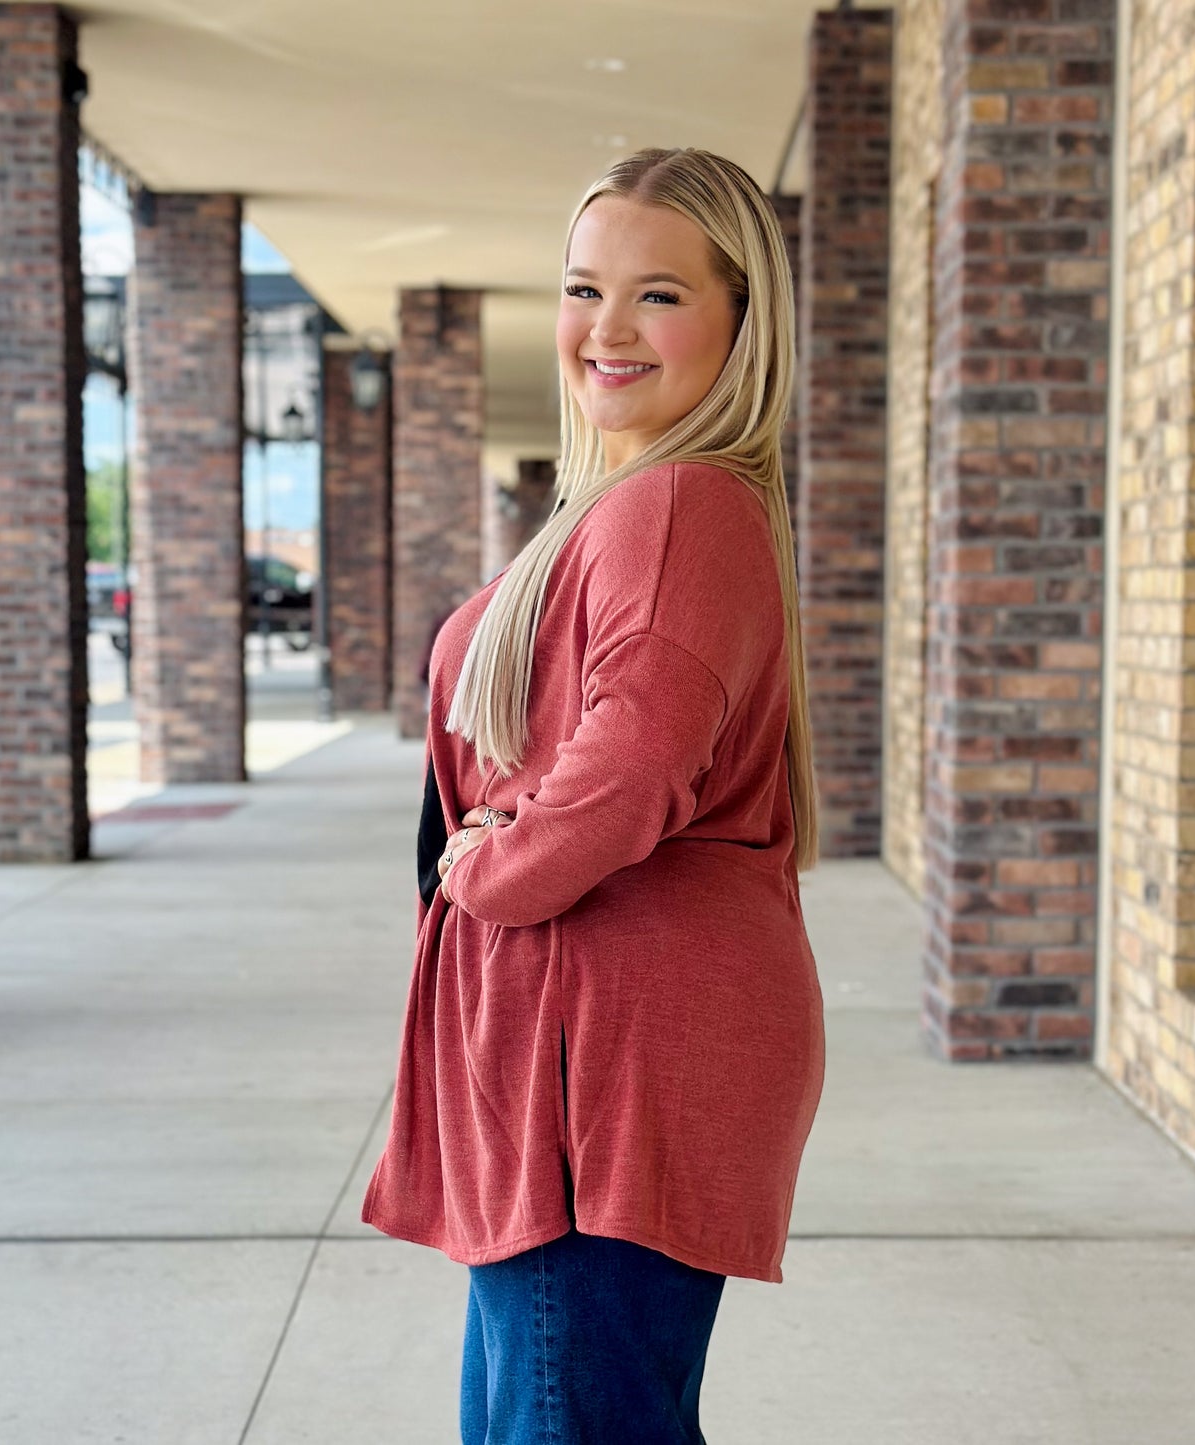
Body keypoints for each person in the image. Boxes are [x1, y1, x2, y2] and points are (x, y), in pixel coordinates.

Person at [360, 145, 827, 1444]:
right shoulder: (630, 500)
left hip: (604, 1073)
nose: (606, 329)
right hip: (585, 1067)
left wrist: (482, 870)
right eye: (583, 288)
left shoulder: (674, 503)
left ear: (740, 320)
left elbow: (623, 775)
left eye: (659, 295)